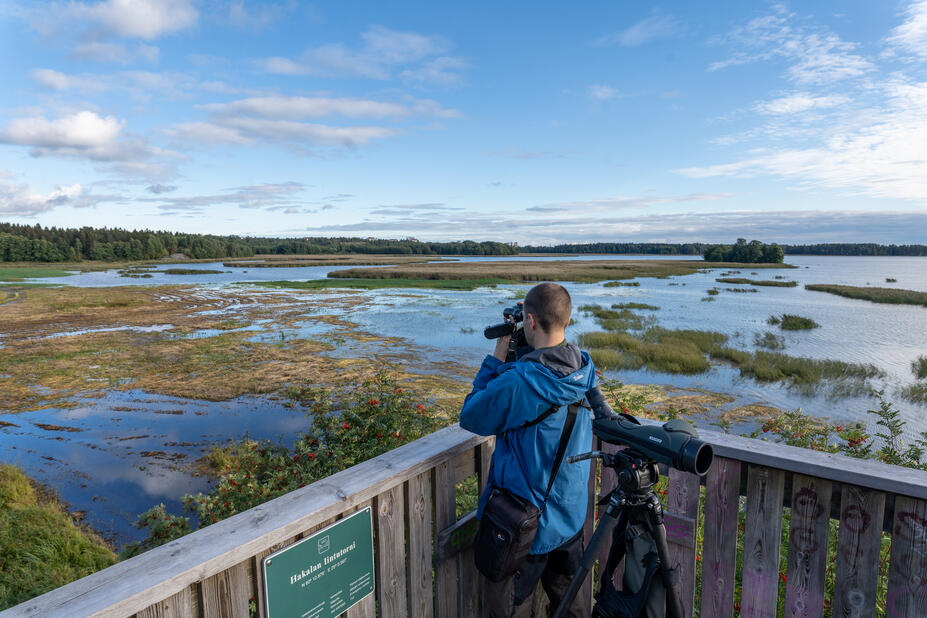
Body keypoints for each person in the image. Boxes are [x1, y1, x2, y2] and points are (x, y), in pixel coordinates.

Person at [460, 282, 596, 618]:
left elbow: (472, 415)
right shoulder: (582, 367)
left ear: (530, 322)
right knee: (571, 607)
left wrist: (498, 354)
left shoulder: (519, 382)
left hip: (523, 527)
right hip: (569, 517)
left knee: (509, 608)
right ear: (566, 321)